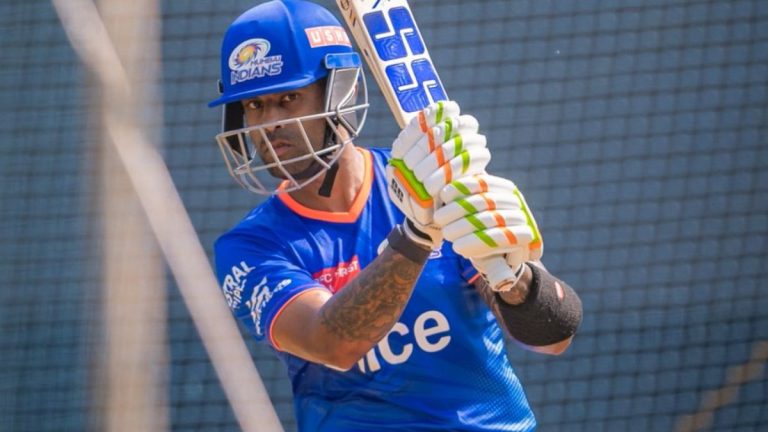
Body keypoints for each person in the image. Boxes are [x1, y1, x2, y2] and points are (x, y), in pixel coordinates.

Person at [209, 1, 582, 430]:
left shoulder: (431, 179)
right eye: (255, 106)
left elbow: (554, 337)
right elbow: (330, 343)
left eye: (288, 99)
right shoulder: (249, 247)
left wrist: (514, 277)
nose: (269, 123)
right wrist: (417, 235)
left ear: (341, 91)